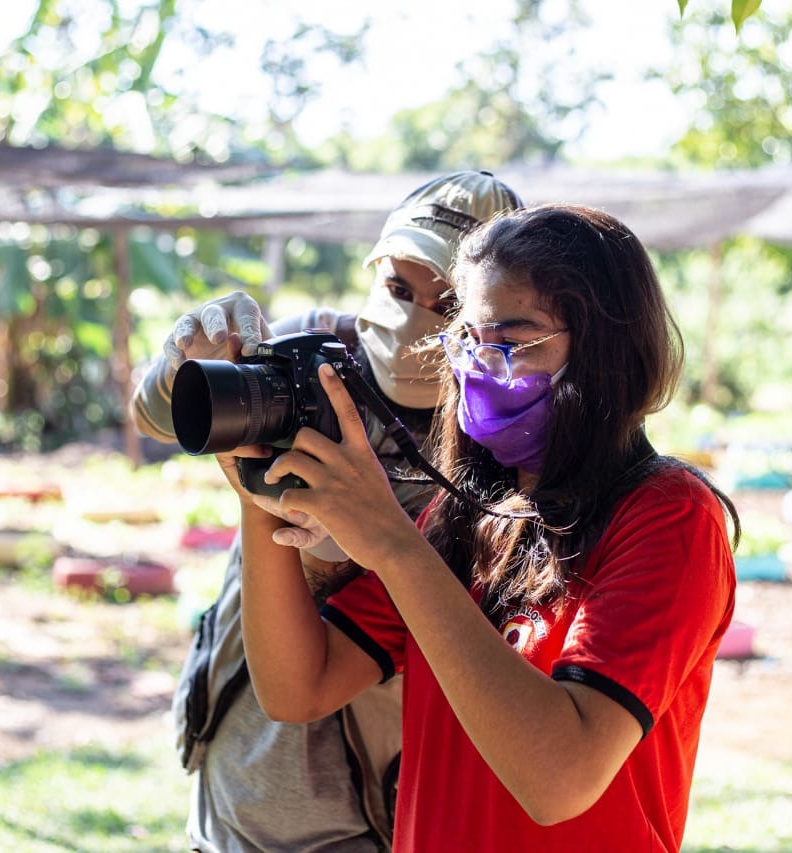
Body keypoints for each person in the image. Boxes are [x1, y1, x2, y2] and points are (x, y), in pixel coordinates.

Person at [219, 203, 741, 851]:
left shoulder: (668, 517)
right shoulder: (466, 518)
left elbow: (559, 777)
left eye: (514, 341)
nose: (480, 365)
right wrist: (259, 492)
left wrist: (395, 546)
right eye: (468, 338)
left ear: (608, 350)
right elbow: (300, 685)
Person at [130, 172, 524, 851]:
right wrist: (180, 360)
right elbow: (154, 414)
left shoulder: (491, 461)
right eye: (399, 286)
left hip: (360, 816)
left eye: (447, 301)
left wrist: (345, 536)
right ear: (374, 267)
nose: (413, 317)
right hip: (226, 797)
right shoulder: (302, 357)